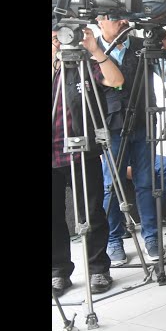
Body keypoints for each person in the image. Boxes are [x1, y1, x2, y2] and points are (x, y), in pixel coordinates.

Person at [98, 15, 166, 265]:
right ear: (100, 20)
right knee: (112, 185)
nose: (122, 22)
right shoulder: (92, 49)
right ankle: (113, 239)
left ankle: (152, 237)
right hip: (110, 126)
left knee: (146, 182)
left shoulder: (140, 45)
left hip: (144, 121)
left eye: (124, 17)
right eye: (114, 18)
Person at [53, 27, 121, 295]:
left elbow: (116, 81)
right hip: (53, 152)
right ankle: (58, 271)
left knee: (91, 211)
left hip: (83, 151)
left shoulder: (85, 66)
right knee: (53, 216)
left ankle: (98, 269)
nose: (59, 39)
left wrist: (95, 49)